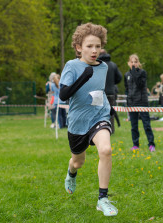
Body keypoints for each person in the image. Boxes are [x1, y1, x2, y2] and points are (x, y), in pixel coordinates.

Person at [59, 23, 118, 216]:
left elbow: (99, 91)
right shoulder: (72, 66)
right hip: (78, 121)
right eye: (89, 46)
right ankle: (71, 172)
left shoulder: (103, 67)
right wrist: (83, 77)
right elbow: (63, 94)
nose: (94, 51)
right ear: (78, 47)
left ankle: (103, 199)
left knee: (106, 150)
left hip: (99, 115)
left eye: (98, 46)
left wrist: (108, 109)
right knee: (78, 161)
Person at [124, 54, 155, 152]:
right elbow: (127, 89)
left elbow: (140, 84)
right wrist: (128, 102)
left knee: (146, 124)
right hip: (132, 103)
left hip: (142, 102)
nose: (133, 64)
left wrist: (134, 72)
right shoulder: (126, 75)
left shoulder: (143, 73)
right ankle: (135, 144)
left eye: (135, 62)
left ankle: (151, 144)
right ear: (129, 63)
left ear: (138, 63)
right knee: (134, 126)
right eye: (132, 62)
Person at [98, 49, 122, 133]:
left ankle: (101, 129)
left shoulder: (97, 65)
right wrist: (112, 83)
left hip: (100, 92)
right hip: (111, 92)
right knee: (111, 111)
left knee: (100, 112)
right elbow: (119, 78)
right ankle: (111, 129)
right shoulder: (113, 65)